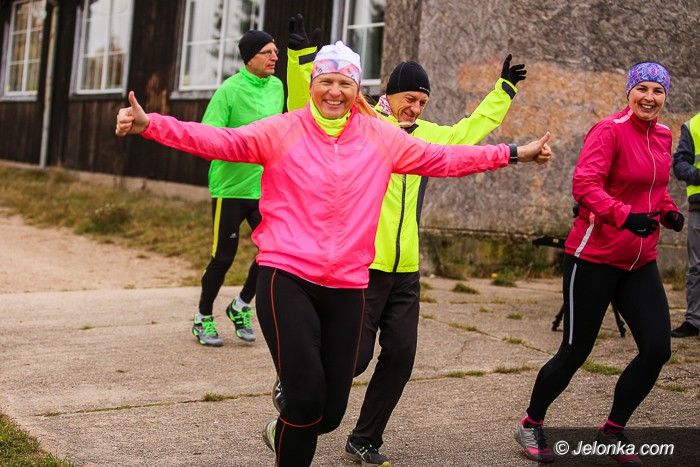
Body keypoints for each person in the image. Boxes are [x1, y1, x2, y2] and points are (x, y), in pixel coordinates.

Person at [116, 41, 552, 467]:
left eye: (345, 83)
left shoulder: (382, 138)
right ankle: (292, 424)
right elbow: (219, 140)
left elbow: (446, 157)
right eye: (326, 81)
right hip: (286, 275)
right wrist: (150, 124)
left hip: (348, 283)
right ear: (312, 85)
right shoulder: (282, 130)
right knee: (306, 399)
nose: (334, 91)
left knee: (329, 413)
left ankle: (283, 430)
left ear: (357, 90)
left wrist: (514, 154)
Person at [284, 14, 528, 465]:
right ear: (389, 95)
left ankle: (365, 439)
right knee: (354, 358)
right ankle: (297, 395)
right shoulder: (361, 125)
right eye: (409, 99)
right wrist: (301, 61)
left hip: (406, 270)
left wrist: (503, 91)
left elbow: (468, 133)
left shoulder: (427, 136)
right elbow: (313, 108)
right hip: (364, 266)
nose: (415, 108)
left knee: (400, 356)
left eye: (422, 102)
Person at [514, 61, 683, 466]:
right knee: (575, 351)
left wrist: (669, 211)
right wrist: (625, 216)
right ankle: (531, 423)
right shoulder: (609, 130)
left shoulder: (663, 134)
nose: (649, 98)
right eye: (642, 88)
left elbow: (655, 189)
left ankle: (612, 432)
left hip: (640, 261)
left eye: (658, 91)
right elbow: (585, 186)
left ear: (665, 96)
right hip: (593, 257)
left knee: (657, 349)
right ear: (629, 91)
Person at [191, 30, 283, 347]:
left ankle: (241, 305)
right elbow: (207, 135)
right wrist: (240, 143)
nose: (275, 57)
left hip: (264, 187)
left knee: (273, 251)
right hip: (230, 188)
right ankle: (203, 317)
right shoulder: (229, 91)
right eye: (267, 52)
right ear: (249, 58)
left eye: (276, 52)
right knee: (223, 257)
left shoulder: (277, 87)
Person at [671, 112, 700, 338]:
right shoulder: (693, 125)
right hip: (699, 206)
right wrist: (697, 175)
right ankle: (694, 321)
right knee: (697, 266)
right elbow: (679, 164)